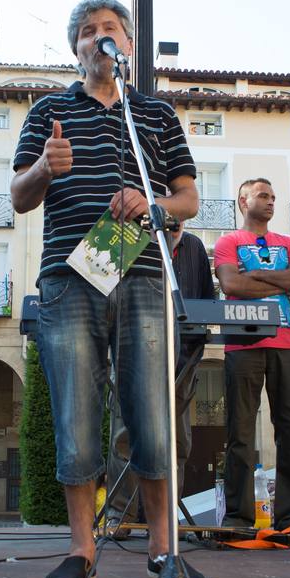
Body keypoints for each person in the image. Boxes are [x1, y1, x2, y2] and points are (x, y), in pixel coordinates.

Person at [11, 0, 202, 578]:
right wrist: (45, 167)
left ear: (126, 43)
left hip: (142, 272)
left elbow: (188, 201)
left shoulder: (155, 114)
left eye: (110, 29)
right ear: (75, 48)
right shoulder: (48, 110)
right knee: (76, 411)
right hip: (69, 277)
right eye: (89, 31)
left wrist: (153, 205)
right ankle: (81, 548)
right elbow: (19, 195)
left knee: (149, 408)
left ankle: (161, 548)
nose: (100, 37)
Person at [214, 178, 290, 530]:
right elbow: (231, 284)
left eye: (273, 196)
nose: (271, 202)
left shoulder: (289, 242)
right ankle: (238, 518)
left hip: (288, 344)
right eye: (263, 196)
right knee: (239, 432)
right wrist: (281, 278)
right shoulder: (228, 242)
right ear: (243, 201)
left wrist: (257, 274)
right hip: (242, 345)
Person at [103, 220, 214, 536]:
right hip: (129, 353)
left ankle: (165, 518)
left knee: (177, 440)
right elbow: (96, 286)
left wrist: (195, 350)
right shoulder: (122, 236)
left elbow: (205, 305)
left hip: (181, 361)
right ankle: (118, 515)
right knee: (124, 437)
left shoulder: (194, 247)